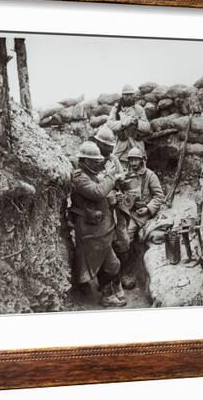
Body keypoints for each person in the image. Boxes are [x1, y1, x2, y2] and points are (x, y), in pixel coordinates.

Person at [69, 141, 126, 308]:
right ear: (86, 161)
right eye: (95, 161)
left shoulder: (91, 174)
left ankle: (111, 290)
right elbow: (97, 192)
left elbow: (101, 194)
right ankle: (107, 296)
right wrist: (111, 176)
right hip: (90, 231)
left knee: (109, 262)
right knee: (107, 263)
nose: (98, 164)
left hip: (100, 229)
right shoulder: (79, 177)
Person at [92, 126, 130, 294]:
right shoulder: (92, 160)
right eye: (107, 146)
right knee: (104, 244)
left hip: (116, 205)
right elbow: (94, 187)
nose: (110, 149)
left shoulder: (113, 159)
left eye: (111, 146)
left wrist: (120, 182)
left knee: (123, 240)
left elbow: (121, 177)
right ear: (98, 143)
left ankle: (119, 276)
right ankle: (105, 283)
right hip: (101, 208)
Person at [123, 147, 164, 247]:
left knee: (127, 236)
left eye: (136, 160)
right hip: (127, 211)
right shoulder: (125, 175)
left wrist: (148, 209)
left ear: (142, 160)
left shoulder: (150, 176)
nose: (133, 163)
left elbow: (159, 196)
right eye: (131, 160)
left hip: (142, 213)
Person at [107, 84, 151, 167]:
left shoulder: (139, 109)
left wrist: (137, 122)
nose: (129, 97)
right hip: (121, 148)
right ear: (123, 95)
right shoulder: (116, 109)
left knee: (139, 173)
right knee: (119, 172)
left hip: (136, 147)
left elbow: (147, 127)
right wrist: (123, 123)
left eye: (131, 95)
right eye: (127, 95)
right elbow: (110, 124)